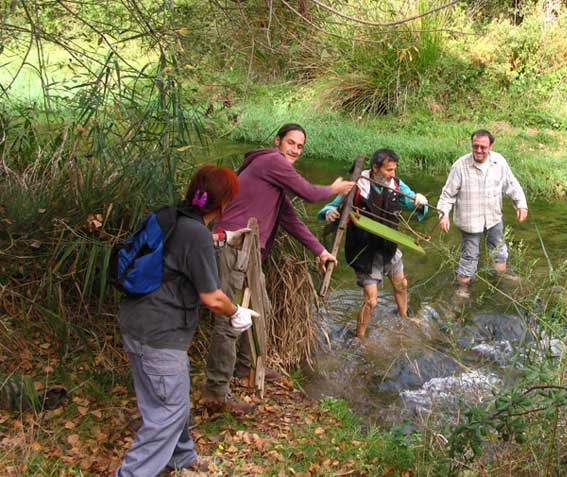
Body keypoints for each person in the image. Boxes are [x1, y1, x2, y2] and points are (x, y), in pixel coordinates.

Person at [116, 165, 258, 477]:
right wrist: (237, 313)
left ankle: (180, 457)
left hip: (135, 320)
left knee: (170, 398)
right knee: (168, 410)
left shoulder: (169, 215)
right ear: (224, 203)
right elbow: (212, 297)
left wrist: (221, 240)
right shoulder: (196, 234)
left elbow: (175, 257)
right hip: (160, 333)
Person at [203, 123, 354, 414]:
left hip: (250, 253)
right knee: (227, 320)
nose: (295, 150)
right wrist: (333, 189)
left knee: (263, 310)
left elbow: (291, 218)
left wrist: (320, 251)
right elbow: (309, 193)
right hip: (232, 247)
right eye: (291, 143)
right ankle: (216, 393)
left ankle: (245, 368)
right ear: (277, 141)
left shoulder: (272, 176)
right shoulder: (270, 161)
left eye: (300, 146)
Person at [317, 149, 429, 338]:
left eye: (394, 170)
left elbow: (412, 202)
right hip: (363, 250)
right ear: (375, 168)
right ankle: (359, 337)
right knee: (371, 301)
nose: (392, 174)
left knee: (401, 284)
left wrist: (420, 201)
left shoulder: (396, 184)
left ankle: (404, 318)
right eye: (388, 170)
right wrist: (330, 212)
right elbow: (331, 205)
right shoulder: (357, 185)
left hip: (389, 246)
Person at [436, 129, 528, 298]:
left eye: (483, 147)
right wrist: (444, 215)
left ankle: (499, 278)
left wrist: (521, 205)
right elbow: (447, 195)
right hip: (469, 220)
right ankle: (463, 289)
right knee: (470, 256)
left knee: (499, 251)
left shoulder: (498, 162)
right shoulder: (460, 166)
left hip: (493, 217)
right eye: (475, 146)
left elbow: (512, 184)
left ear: (490, 146)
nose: (478, 151)